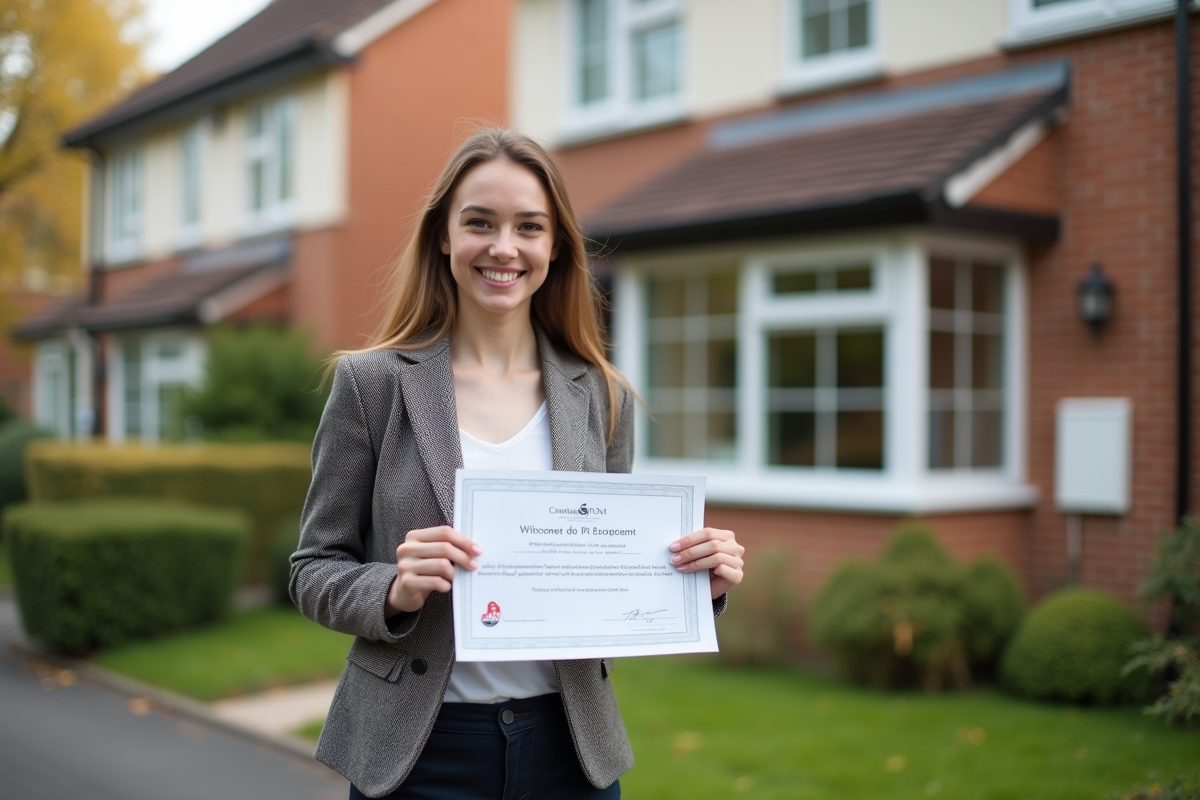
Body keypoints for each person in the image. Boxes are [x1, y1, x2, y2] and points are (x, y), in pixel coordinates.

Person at [290, 129, 745, 800]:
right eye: (480, 223)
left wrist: (695, 585)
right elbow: (312, 568)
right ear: (444, 236)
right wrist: (391, 590)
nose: (504, 247)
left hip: (570, 749)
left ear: (554, 246)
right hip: (421, 752)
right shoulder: (372, 385)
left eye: (529, 227)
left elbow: (608, 579)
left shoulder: (600, 395)